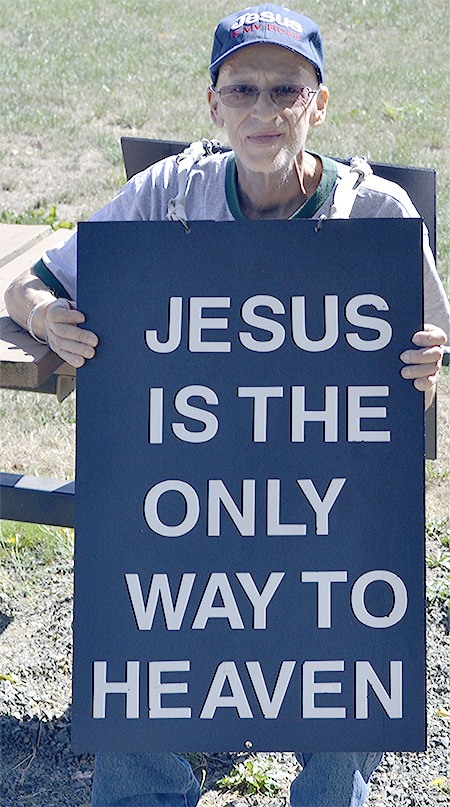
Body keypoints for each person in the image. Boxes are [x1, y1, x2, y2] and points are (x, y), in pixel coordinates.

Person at [5, 5, 450, 806]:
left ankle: (329, 787)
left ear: (320, 103)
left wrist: (428, 362)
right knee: (134, 605)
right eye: (242, 89)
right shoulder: (171, 192)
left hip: (326, 506)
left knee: (342, 625)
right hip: (188, 496)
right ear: (212, 105)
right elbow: (28, 278)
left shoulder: (376, 214)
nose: (264, 110)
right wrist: (46, 318)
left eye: (287, 89)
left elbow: (431, 346)